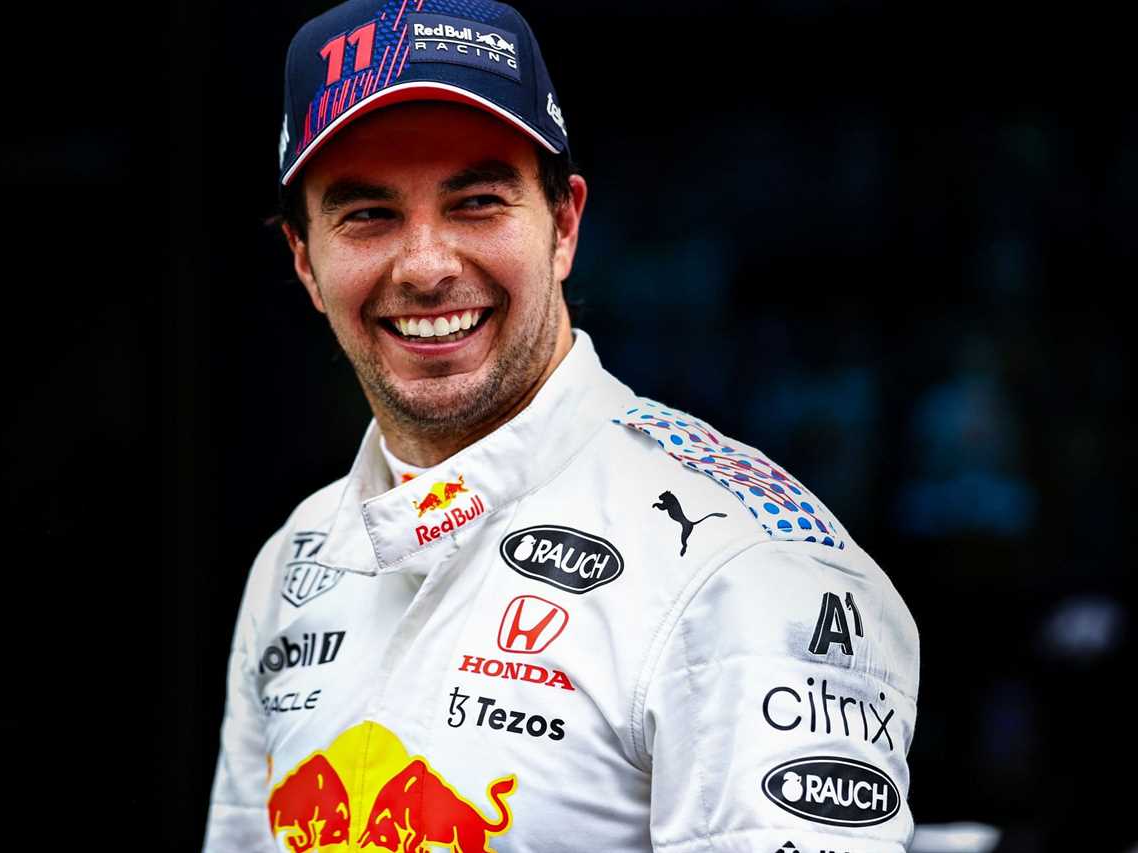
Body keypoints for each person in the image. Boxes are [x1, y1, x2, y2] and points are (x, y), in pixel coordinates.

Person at [203, 1, 920, 851]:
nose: (427, 266)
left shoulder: (746, 570)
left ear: (564, 226)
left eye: (476, 202)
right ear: (304, 260)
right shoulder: (294, 560)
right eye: (367, 215)